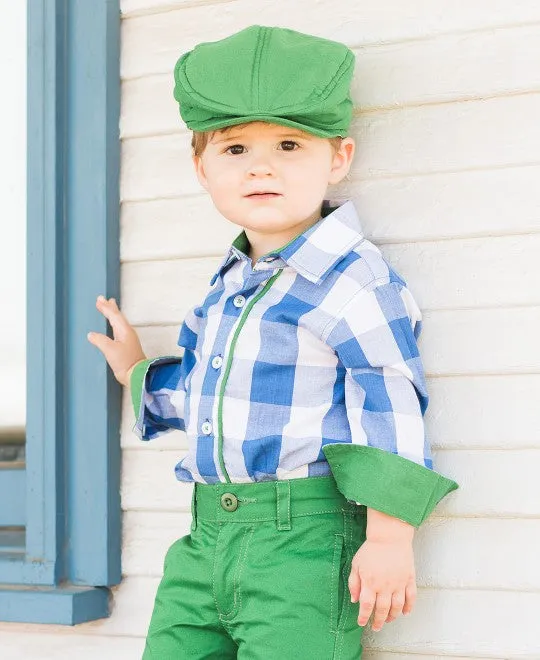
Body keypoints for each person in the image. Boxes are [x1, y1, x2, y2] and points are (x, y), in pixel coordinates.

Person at [87, 24, 459, 659]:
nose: (261, 166)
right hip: (206, 536)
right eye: (234, 150)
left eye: (289, 144)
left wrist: (391, 534)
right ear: (201, 167)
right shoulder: (227, 283)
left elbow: (389, 397)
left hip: (304, 542)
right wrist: (138, 372)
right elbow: (216, 386)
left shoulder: (353, 282)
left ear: (337, 158)